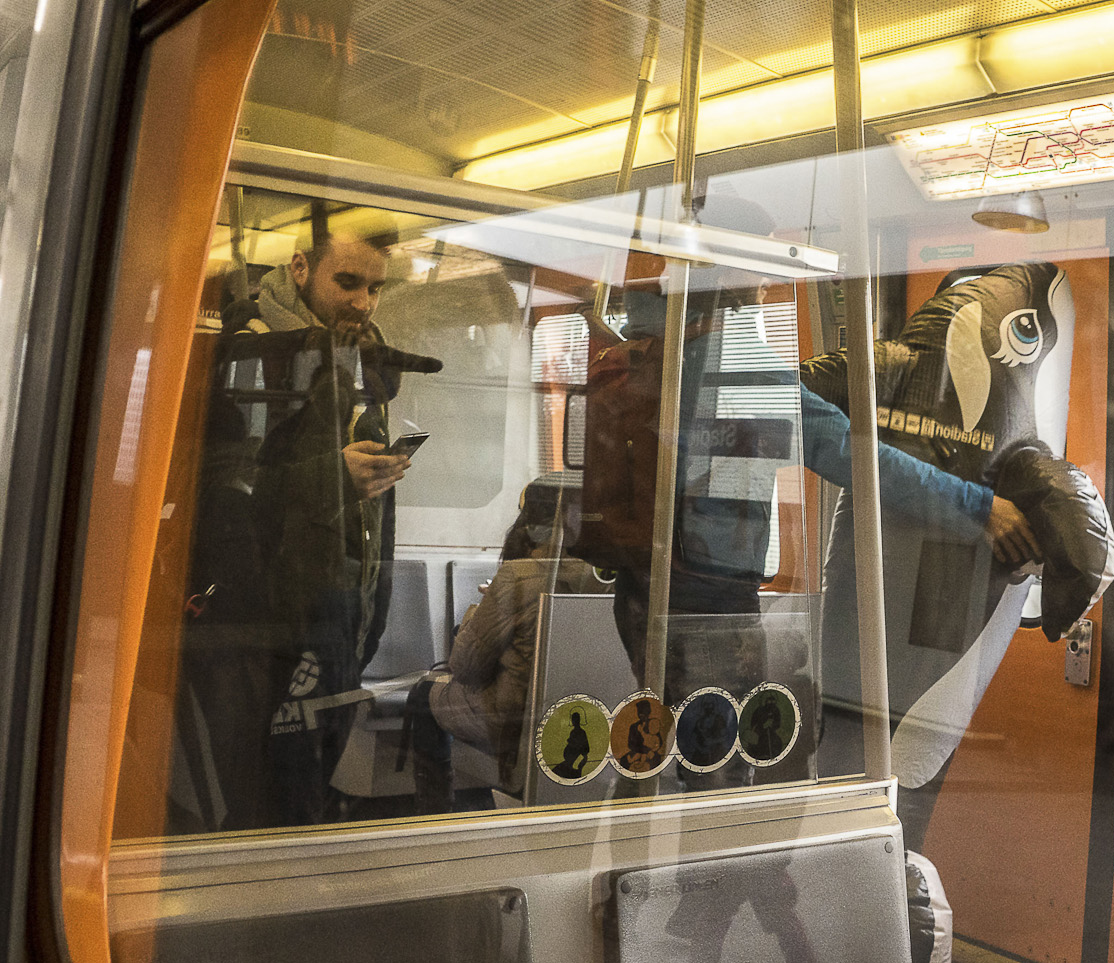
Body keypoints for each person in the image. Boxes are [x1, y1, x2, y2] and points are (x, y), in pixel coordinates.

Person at [574, 195, 1039, 794]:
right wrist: (982, 507)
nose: (765, 280)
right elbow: (861, 461)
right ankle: (716, 879)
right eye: (757, 264)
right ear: (729, 267)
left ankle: (630, 858)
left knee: (653, 742)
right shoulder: (741, 367)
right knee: (719, 771)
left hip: (640, 593)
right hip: (713, 605)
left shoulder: (642, 353)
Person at [218, 207, 439, 826]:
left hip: (345, 606)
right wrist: (332, 478)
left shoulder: (357, 363)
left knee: (312, 789)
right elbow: (224, 495)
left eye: (376, 287)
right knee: (271, 798)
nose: (365, 303)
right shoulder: (255, 351)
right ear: (300, 268)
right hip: (270, 620)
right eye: (348, 282)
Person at [406, 476, 609, 812]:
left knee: (423, 696)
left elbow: (466, 666)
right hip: (575, 709)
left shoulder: (516, 575)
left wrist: (477, 615)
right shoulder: (601, 579)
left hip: (514, 720)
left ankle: (437, 810)